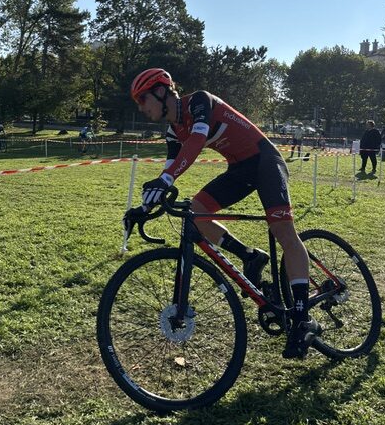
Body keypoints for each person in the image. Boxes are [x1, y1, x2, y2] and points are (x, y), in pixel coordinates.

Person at [130, 68, 320, 360]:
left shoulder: (198, 101)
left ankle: (303, 317)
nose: (141, 108)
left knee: (282, 230)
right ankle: (250, 256)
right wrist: (143, 208)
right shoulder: (172, 130)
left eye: (142, 99)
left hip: (265, 160)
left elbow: (196, 141)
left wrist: (165, 181)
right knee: (196, 211)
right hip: (240, 169)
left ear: (160, 91)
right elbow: (167, 172)